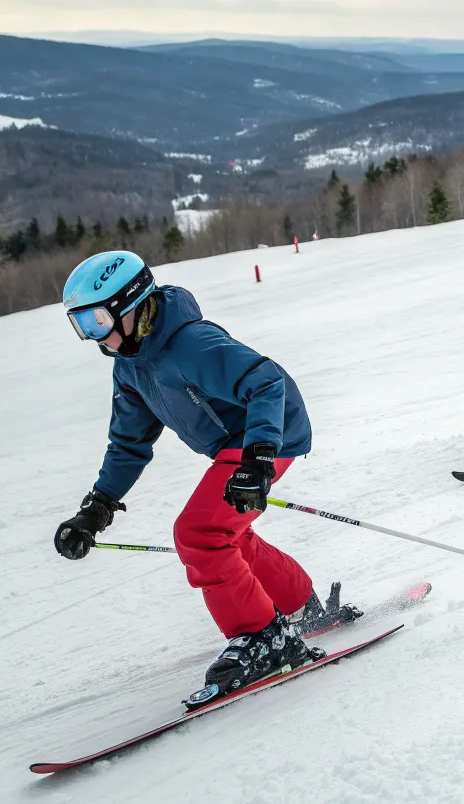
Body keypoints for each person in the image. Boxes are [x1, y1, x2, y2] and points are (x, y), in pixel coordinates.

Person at [54, 250, 345, 699]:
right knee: (229, 535)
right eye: (81, 326)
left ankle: (264, 638)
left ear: (130, 304)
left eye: (96, 322)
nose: (93, 337)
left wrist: (258, 458)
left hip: (270, 433)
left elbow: (266, 381)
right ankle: (297, 604)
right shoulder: (130, 363)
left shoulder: (191, 343)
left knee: (200, 533)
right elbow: (129, 443)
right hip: (237, 443)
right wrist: (97, 507)